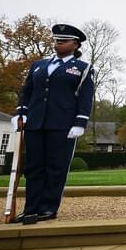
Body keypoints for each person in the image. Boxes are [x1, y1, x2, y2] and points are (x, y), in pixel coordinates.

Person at [11, 23, 95, 223]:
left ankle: (48, 207)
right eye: (56, 40)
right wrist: (21, 112)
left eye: (63, 41)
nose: (58, 44)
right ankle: (31, 208)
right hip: (36, 123)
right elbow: (27, 91)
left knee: (56, 167)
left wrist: (80, 122)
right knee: (33, 168)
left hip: (63, 125)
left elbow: (85, 97)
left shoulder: (82, 68)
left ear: (75, 44)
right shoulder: (38, 66)